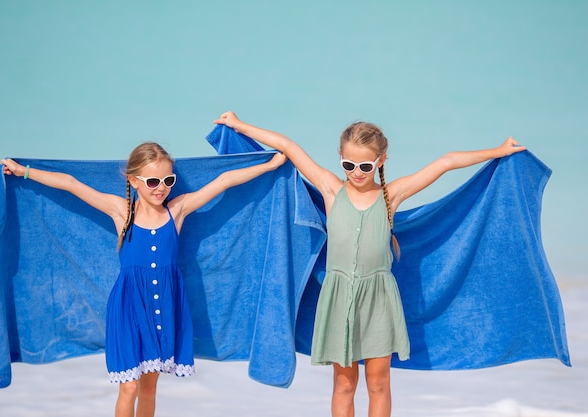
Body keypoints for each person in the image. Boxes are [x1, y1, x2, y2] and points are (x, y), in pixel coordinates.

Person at [214, 111, 526, 417]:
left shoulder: (393, 194)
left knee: (378, 383)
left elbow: (445, 163)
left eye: (365, 165)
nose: (357, 171)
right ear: (340, 157)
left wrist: (498, 151)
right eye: (348, 164)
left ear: (381, 160)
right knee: (344, 384)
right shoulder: (332, 189)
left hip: (379, 299)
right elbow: (289, 146)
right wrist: (239, 125)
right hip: (339, 298)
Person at [1, 143, 286, 417]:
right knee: (129, 387)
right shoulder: (121, 211)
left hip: (163, 306)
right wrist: (23, 171)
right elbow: (71, 184)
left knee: (149, 389)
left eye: (168, 180)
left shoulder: (178, 210)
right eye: (152, 181)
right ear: (134, 180)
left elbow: (224, 181)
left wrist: (271, 165)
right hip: (128, 307)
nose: (161, 187)